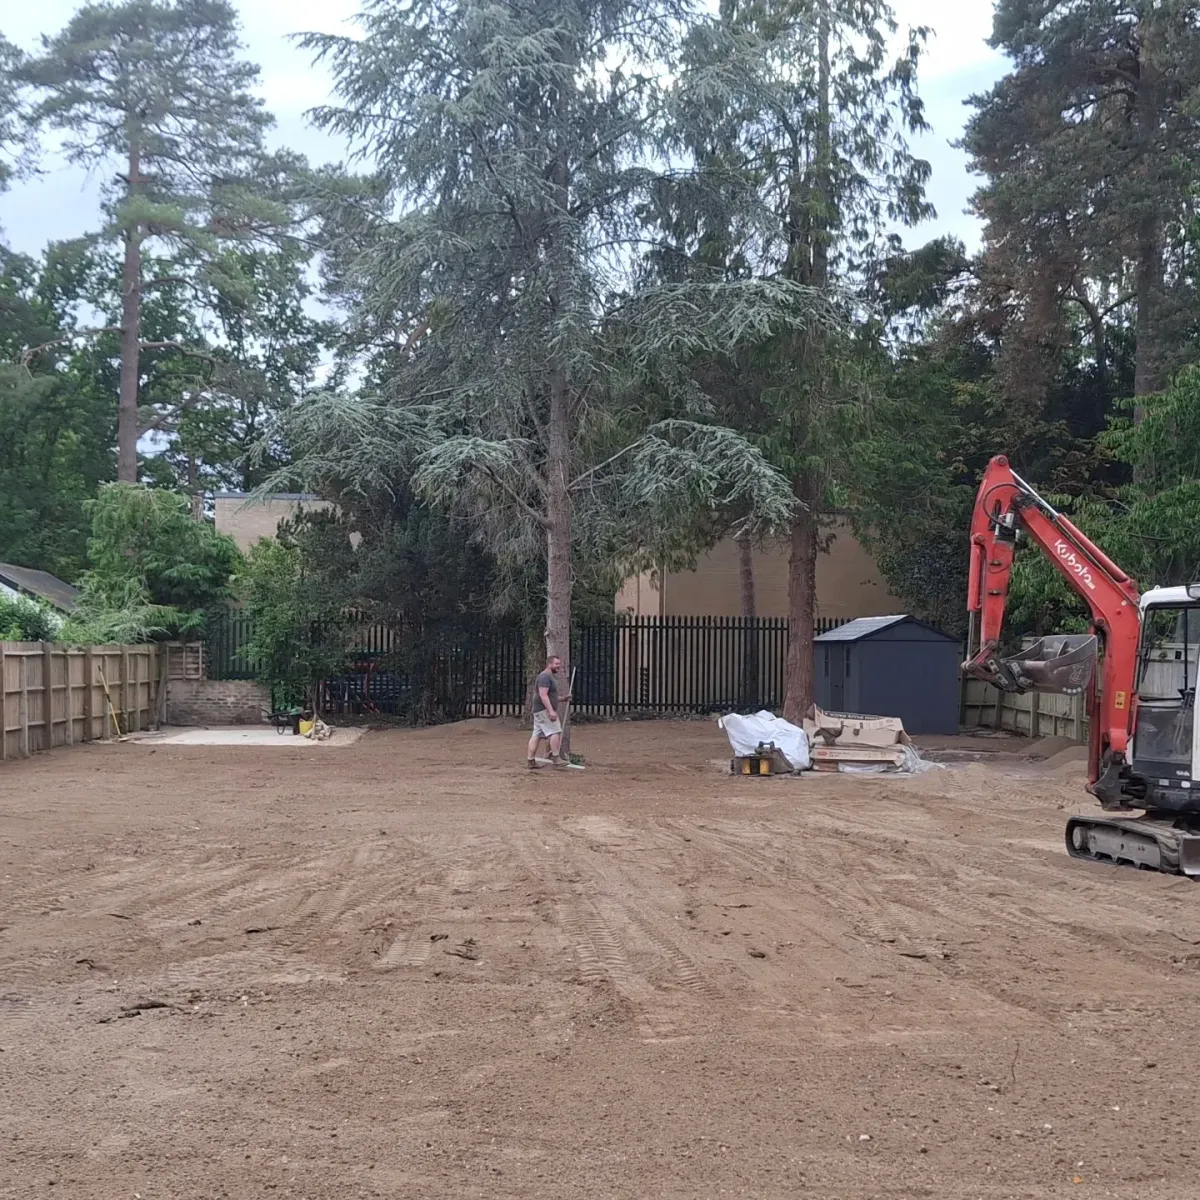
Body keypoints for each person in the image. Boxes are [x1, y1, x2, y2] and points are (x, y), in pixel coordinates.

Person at [528, 654, 570, 769]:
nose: (558, 666)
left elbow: (550, 696)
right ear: (549, 664)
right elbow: (543, 695)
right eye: (556, 664)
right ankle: (556, 757)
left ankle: (530, 760)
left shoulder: (549, 677)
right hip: (543, 710)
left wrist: (563, 698)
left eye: (559, 664)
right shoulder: (545, 677)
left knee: (536, 734)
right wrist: (551, 711)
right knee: (555, 731)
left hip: (539, 710)